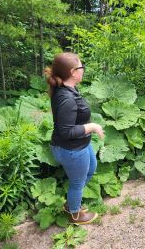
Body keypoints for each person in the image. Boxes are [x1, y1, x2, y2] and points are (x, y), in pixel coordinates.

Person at [45, 52, 104, 224]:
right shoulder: (66, 98)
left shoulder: (69, 88)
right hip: (70, 150)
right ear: (73, 71)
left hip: (81, 145)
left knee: (91, 169)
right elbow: (66, 132)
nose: (83, 70)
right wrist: (92, 127)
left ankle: (72, 202)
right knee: (78, 183)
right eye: (81, 67)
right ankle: (74, 214)